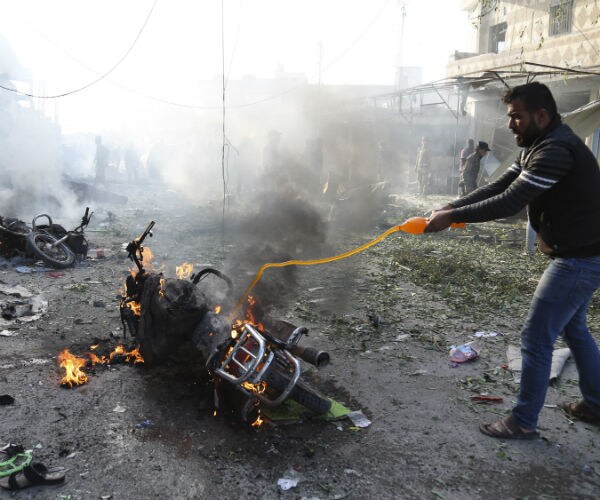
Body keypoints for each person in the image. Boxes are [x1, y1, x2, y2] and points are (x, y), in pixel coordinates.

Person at [426, 82, 600, 439]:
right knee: (575, 329)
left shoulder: (556, 149)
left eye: (516, 117)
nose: (510, 125)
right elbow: (497, 186)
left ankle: (522, 421)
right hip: (583, 254)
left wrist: (453, 218)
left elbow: (509, 203)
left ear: (541, 115)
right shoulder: (537, 146)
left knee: (536, 339)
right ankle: (596, 404)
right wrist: (452, 207)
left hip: (580, 260)